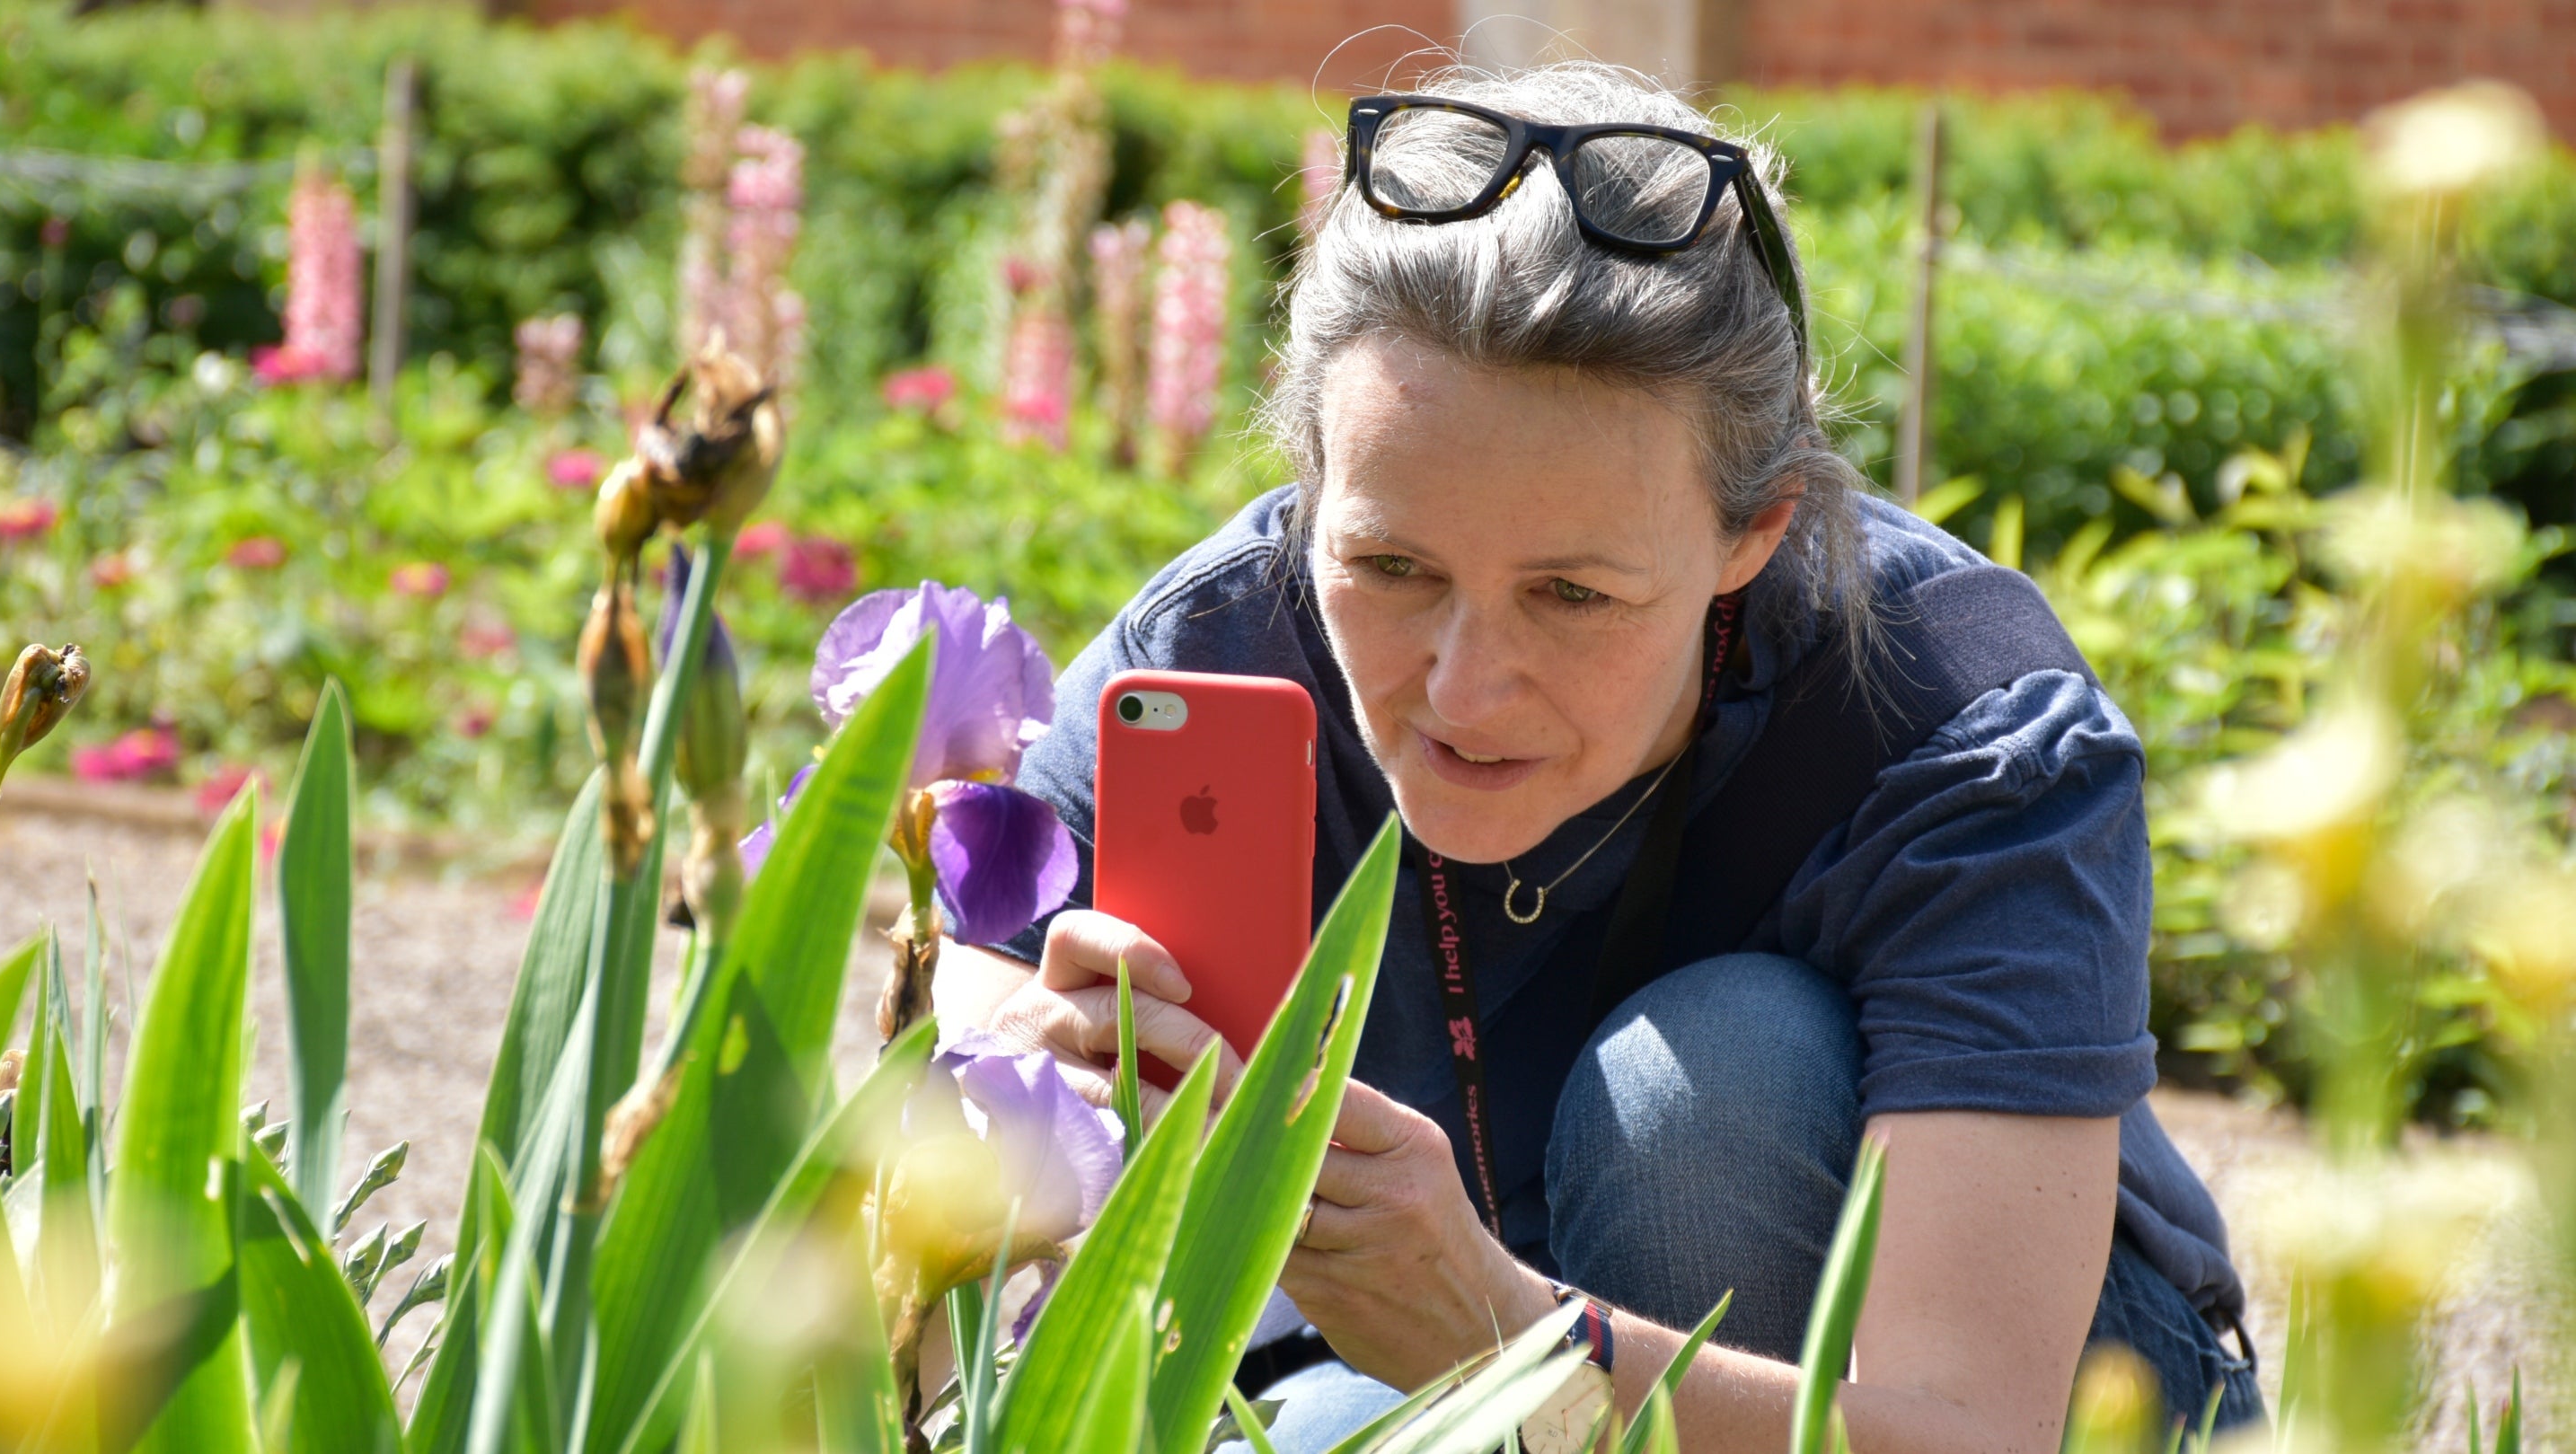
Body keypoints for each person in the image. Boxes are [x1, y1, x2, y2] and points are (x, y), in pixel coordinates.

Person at [934, 63, 2262, 1452]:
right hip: (1440, 1349)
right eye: (1390, 565)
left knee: (1707, 1087)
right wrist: (1038, 1059)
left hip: (2008, 1403)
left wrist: (1498, 1330)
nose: (1463, 689)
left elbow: (1971, 1432)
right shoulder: (1206, 655)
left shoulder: (1961, 732)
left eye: (1572, 596)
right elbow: (962, 1016)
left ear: (1757, 532)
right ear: (1313, 475)